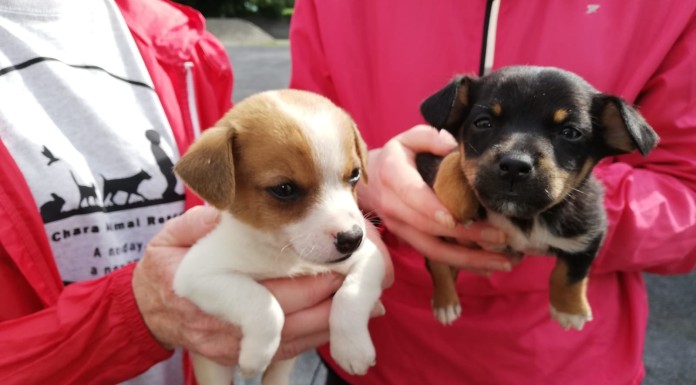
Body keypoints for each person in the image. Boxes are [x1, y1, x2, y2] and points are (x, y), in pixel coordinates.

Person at [289, 1, 696, 384]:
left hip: (567, 362)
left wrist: (571, 221)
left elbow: (686, 188)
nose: (517, 159)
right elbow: (301, 141)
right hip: (377, 346)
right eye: (485, 124)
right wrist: (356, 179)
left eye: (569, 132)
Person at [0, 1, 394, 384]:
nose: (347, 221)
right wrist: (134, 318)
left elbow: (276, 155)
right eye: (287, 191)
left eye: (352, 177)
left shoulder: (177, 41)